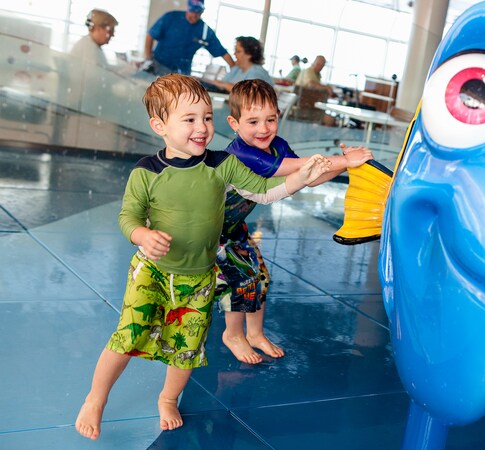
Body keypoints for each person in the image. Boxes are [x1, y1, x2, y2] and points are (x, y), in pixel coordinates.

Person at [74, 74, 331, 440]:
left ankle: (168, 398)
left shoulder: (222, 164)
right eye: (190, 119)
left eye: (207, 117)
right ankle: (95, 399)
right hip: (153, 272)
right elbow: (127, 217)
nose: (202, 127)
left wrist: (302, 177)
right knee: (127, 337)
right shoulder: (147, 172)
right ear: (160, 126)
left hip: (198, 276)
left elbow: (263, 192)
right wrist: (142, 234)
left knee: (186, 348)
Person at [217, 79, 373, 364]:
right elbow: (296, 168)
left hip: (234, 228)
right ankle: (233, 334)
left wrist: (347, 165)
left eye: (271, 119)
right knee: (240, 278)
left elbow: (309, 177)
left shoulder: (276, 146)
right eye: (253, 121)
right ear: (234, 123)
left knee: (260, 277)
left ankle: (255, 333)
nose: (263, 129)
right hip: (210, 231)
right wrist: (344, 160)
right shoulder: (241, 153)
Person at [143, 0, 234, 76]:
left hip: (181, 73)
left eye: (197, 13)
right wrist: (148, 59)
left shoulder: (204, 31)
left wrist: (236, 70)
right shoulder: (171, 17)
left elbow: (222, 52)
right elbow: (150, 35)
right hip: (158, 65)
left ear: (202, 11)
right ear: (187, 8)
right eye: (192, 11)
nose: (194, 15)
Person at [202, 36, 273, 93]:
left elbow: (246, 92)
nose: (234, 54)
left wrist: (224, 85)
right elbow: (221, 84)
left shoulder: (257, 72)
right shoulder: (237, 69)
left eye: (238, 51)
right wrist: (201, 81)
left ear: (249, 54)